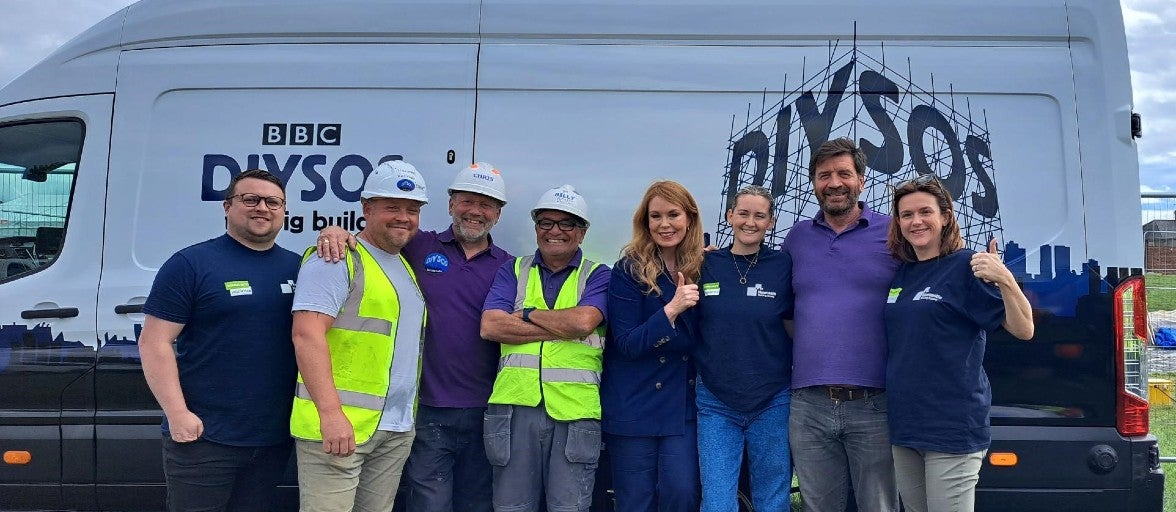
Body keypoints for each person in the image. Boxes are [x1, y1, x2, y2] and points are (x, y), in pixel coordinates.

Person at [318, 162, 512, 512]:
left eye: (486, 204)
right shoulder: (417, 245)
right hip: (426, 409)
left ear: (498, 214)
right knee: (428, 504)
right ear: (451, 203)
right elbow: (372, 240)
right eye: (467, 200)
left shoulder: (511, 267)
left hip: (488, 410)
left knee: (478, 504)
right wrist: (336, 230)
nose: (475, 211)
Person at [139, 169, 300, 512]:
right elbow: (154, 343)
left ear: (284, 210)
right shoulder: (190, 264)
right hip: (204, 438)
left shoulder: (299, 268)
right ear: (227, 207)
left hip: (273, 438)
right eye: (250, 199)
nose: (262, 208)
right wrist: (178, 414)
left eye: (273, 202)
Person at [883, 174, 1033, 512]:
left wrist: (1005, 278)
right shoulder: (903, 274)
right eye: (906, 215)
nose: (915, 221)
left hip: (951, 427)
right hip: (906, 426)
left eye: (925, 212)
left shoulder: (966, 267)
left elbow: (1024, 329)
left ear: (945, 216)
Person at [289, 160, 429, 512]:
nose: (404, 217)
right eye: (392, 207)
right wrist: (331, 414)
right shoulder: (335, 259)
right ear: (367, 209)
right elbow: (307, 335)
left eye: (412, 210)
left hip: (392, 429)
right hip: (340, 428)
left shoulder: (402, 265)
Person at [783, 137, 900, 512]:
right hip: (808, 404)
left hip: (874, 403)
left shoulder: (894, 232)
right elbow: (777, 300)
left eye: (844, 174)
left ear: (862, 180)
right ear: (814, 183)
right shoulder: (797, 237)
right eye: (824, 175)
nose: (834, 183)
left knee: (878, 507)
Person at [480, 184, 610, 512]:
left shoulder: (598, 275)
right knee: (511, 507)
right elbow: (491, 326)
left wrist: (526, 314)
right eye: (546, 222)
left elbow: (582, 323)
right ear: (536, 228)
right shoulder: (512, 270)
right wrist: (559, 328)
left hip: (575, 413)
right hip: (513, 409)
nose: (555, 231)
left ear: (582, 233)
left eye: (567, 223)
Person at [602, 180, 703, 512]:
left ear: (689, 218)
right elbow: (628, 343)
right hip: (634, 403)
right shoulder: (628, 269)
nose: (664, 224)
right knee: (634, 501)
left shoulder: (706, 266)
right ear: (645, 222)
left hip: (682, 405)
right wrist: (671, 309)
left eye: (673, 214)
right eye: (655, 216)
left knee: (682, 493)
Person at [694, 184, 794, 512]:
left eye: (760, 215)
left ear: (772, 222)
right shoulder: (705, 264)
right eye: (743, 213)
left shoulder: (783, 265)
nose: (750, 222)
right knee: (718, 501)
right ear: (729, 216)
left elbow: (794, 323)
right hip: (716, 401)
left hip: (772, 398)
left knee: (773, 499)